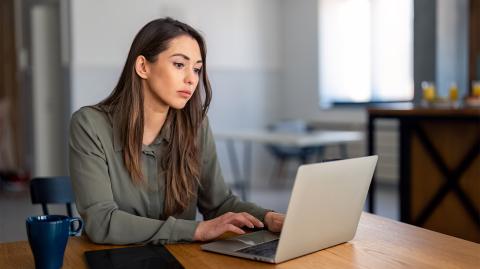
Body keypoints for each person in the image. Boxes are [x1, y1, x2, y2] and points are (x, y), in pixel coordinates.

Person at [69, 17, 285, 245]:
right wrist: (197, 231)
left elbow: (219, 204)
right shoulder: (89, 125)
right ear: (143, 67)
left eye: (197, 69)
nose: (192, 79)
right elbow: (101, 222)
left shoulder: (197, 126)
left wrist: (268, 217)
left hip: (181, 259)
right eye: (179, 65)